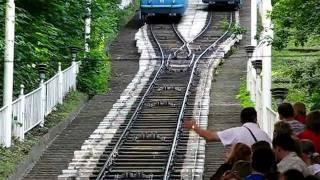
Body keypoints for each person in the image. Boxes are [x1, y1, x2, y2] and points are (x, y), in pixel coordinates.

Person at [183, 107, 271, 147]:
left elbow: (210, 136)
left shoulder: (237, 132)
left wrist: (194, 127)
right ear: (255, 119)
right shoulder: (265, 135)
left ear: (241, 120)